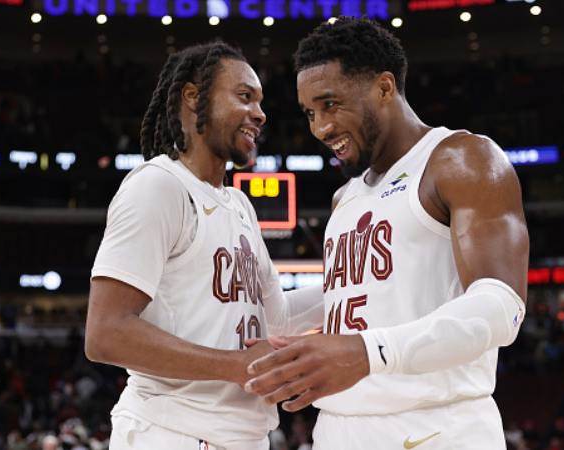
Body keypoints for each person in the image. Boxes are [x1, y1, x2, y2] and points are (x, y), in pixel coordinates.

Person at [245, 17, 529, 449]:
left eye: (331, 104)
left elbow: (501, 307)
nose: (320, 128)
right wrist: (267, 318)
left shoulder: (460, 159)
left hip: (434, 428)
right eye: (310, 113)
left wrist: (367, 352)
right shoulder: (345, 196)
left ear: (384, 87)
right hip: (339, 428)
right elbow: (358, 294)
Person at [85, 41, 323, 450]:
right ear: (193, 97)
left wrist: (355, 285)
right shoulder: (158, 186)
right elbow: (106, 332)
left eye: (260, 101)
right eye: (244, 96)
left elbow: (278, 319)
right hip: (173, 434)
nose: (260, 113)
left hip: (242, 436)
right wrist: (235, 366)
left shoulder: (240, 205)